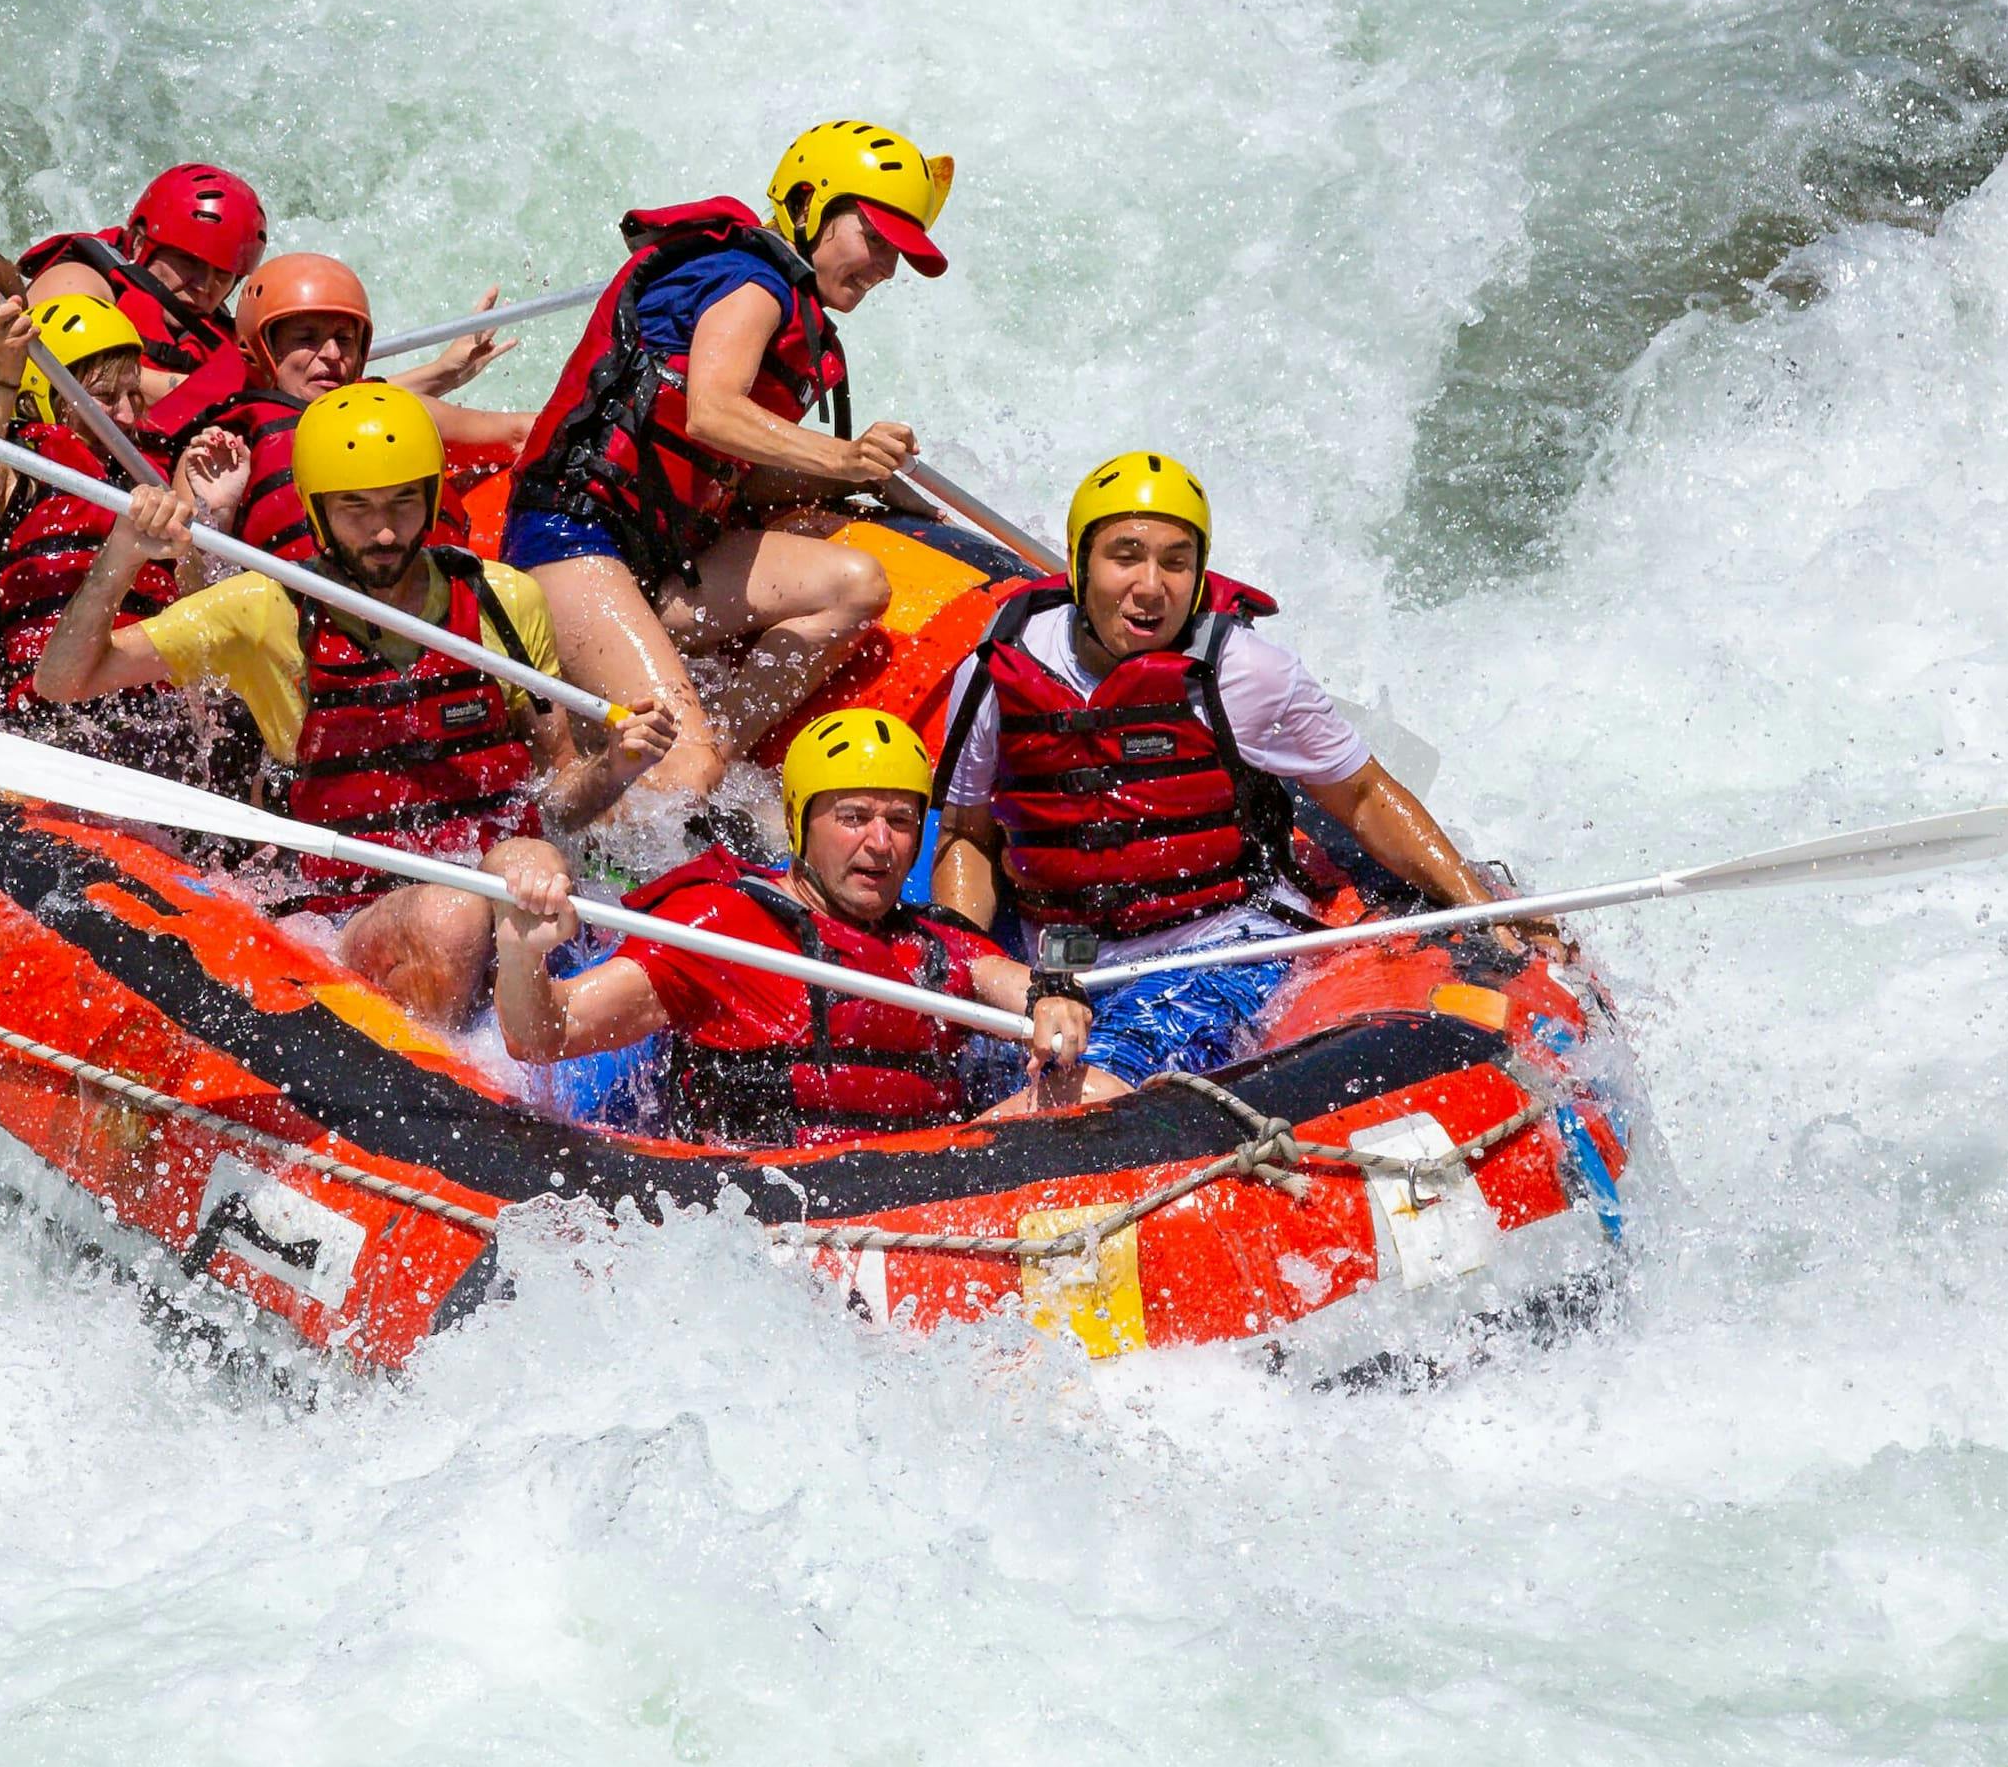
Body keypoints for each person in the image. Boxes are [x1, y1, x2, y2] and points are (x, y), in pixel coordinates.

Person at [32, 384, 672, 1024]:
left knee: (531, 858)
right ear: (315, 511)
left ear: (431, 499)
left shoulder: (505, 601)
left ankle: (525, 1020)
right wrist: (121, 554)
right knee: (450, 913)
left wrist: (616, 766)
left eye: (402, 501)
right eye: (356, 508)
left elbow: (557, 793)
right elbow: (63, 680)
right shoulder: (263, 610)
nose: (386, 530)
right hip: (350, 918)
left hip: (509, 906)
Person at [927, 451, 1491, 1085]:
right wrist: (963, 970)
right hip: (1057, 958)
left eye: (1176, 562)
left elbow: (1363, 798)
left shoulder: (1246, 673)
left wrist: (1482, 909)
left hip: (1215, 946)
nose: (1150, 586)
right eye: (1125, 555)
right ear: (1080, 564)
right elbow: (967, 835)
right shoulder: (997, 673)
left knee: (1092, 1092)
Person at [503, 122, 950, 801]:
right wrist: (846, 457)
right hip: (571, 540)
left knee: (855, 585)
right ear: (807, 203)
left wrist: (871, 480)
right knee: (682, 767)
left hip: (659, 561)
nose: (886, 268)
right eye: (875, 238)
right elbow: (710, 412)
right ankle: (653, 784)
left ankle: (716, 757)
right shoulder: (749, 282)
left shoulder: (788, 301)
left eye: (899, 253)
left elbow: (727, 464)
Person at [482, 709, 1110, 1142]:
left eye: (900, 820)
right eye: (853, 816)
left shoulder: (932, 938)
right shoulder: (720, 923)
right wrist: (520, 952)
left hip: (925, 1192)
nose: (880, 843)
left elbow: (1007, 977)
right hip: (776, 1197)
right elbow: (546, 1034)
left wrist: (1054, 997)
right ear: (799, 825)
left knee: (1096, 1090)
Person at [145, 252, 524, 565]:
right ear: (261, 348)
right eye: (306, 339)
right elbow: (192, 590)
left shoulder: (395, 408)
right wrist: (218, 518)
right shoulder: (220, 448)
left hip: (432, 618)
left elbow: (521, 433)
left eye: (344, 339)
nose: (331, 355)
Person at [0, 290, 165, 706]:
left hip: (138, 709)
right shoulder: (17, 464)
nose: (126, 415)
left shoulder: (143, 482)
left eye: (134, 397)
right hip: (24, 712)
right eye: (106, 397)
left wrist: (215, 506)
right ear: (42, 397)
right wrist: (3, 373)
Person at [21, 163, 267, 383]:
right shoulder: (77, 279)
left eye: (223, 274)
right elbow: (76, 373)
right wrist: (214, 398)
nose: (203, 285)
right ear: (139, 244)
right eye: (189, 262)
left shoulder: (221, 334)